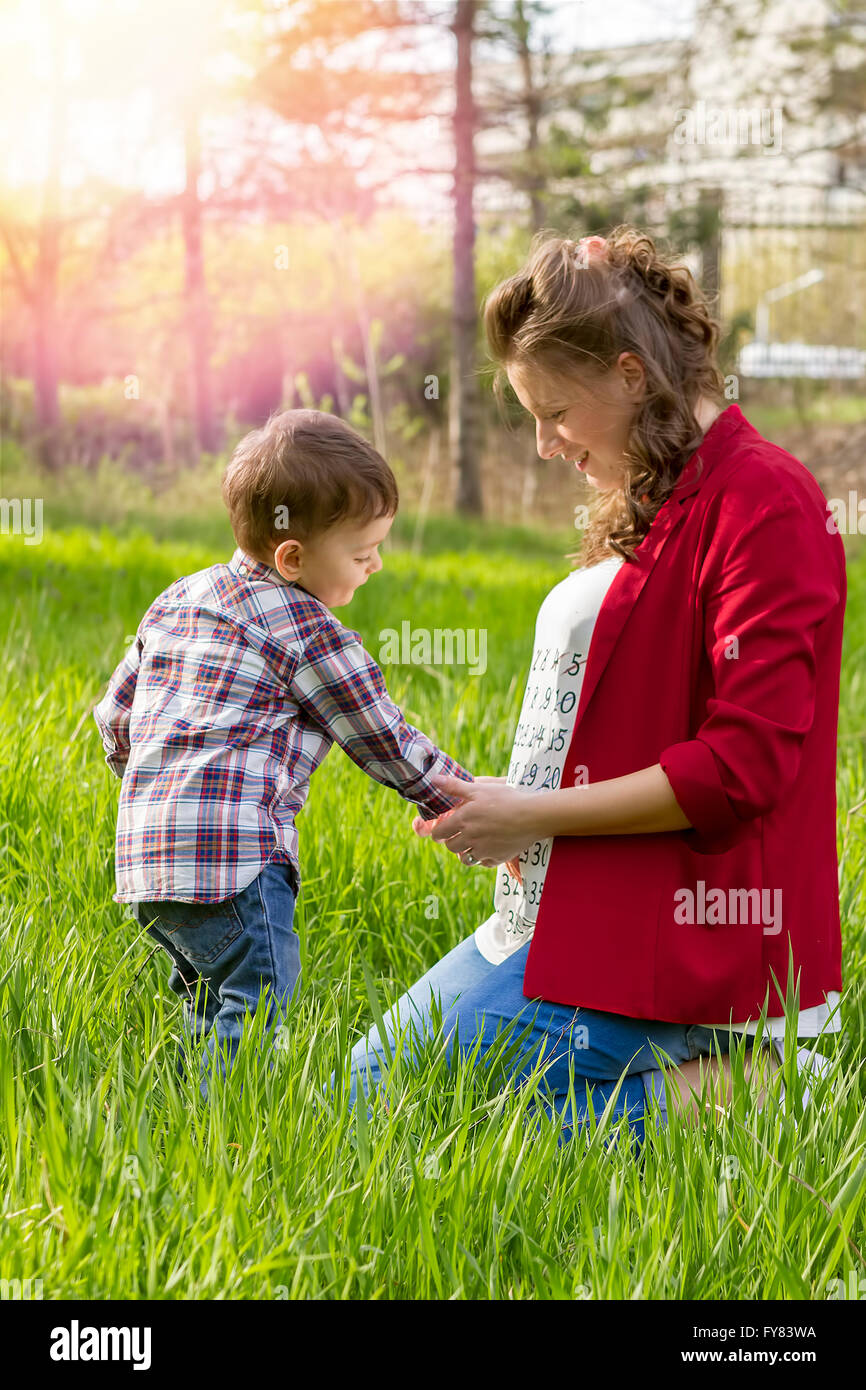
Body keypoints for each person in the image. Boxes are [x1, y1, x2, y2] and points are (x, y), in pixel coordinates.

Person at [343, 226, 846, 1145]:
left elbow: (743, 769)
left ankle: (770, 1092)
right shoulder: (661, 498)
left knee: (410, 1108)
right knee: (380, 1087)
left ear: (629, 375)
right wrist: (514, 823)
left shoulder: (764, 501)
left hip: (697, 924)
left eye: (554, 412)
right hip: (586, 897)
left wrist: (533, 815)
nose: (542, 445)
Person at [92, 410, 474, 1096]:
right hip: (235, 857)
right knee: (257, 992)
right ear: (293, 557)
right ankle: (230, 1131)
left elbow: (115, 716)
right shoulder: (310, 630)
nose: (376, 564)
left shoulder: (180, 598)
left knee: (211, 1001)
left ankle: (190, 1116)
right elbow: (383, 740)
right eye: (362, 554)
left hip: (144, 859)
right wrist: (465, 801)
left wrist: (153, 792)